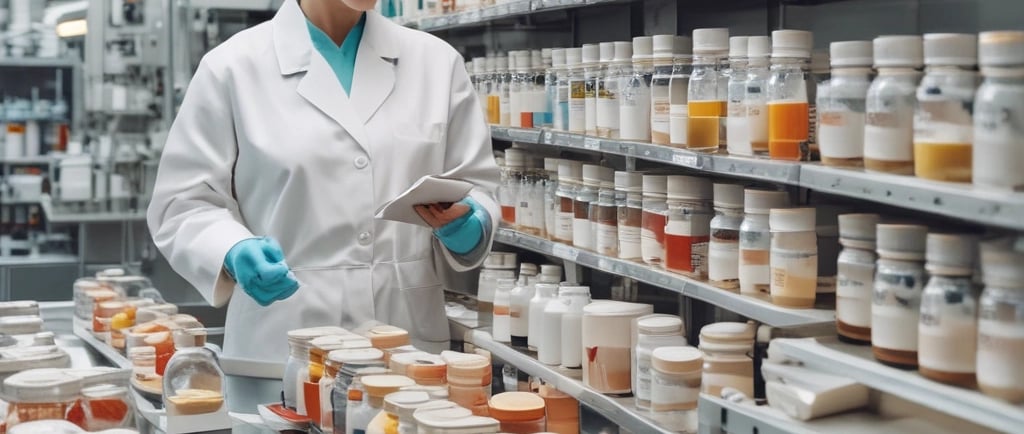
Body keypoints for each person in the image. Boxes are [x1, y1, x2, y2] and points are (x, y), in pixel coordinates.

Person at [146, 0, 498, 403]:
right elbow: (182, 203)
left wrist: (469, 226)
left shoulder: (436, 64)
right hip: (280, 348)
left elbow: (477, 186)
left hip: (407, 351)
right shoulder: (232, 67)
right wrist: (231, 248)